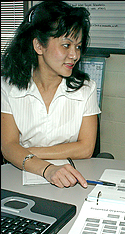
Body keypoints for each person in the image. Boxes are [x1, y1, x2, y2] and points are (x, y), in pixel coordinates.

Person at [1, 1, 100, 189]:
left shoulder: (86, 88)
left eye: (78, 47)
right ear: (39, 46)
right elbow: (8, 146)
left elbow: (86, 148)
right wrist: (47, 169)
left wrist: (26, 152)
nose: (74, 55)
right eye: (66, 45)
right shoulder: (7, 87)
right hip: (20, 175)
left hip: (73, 177)